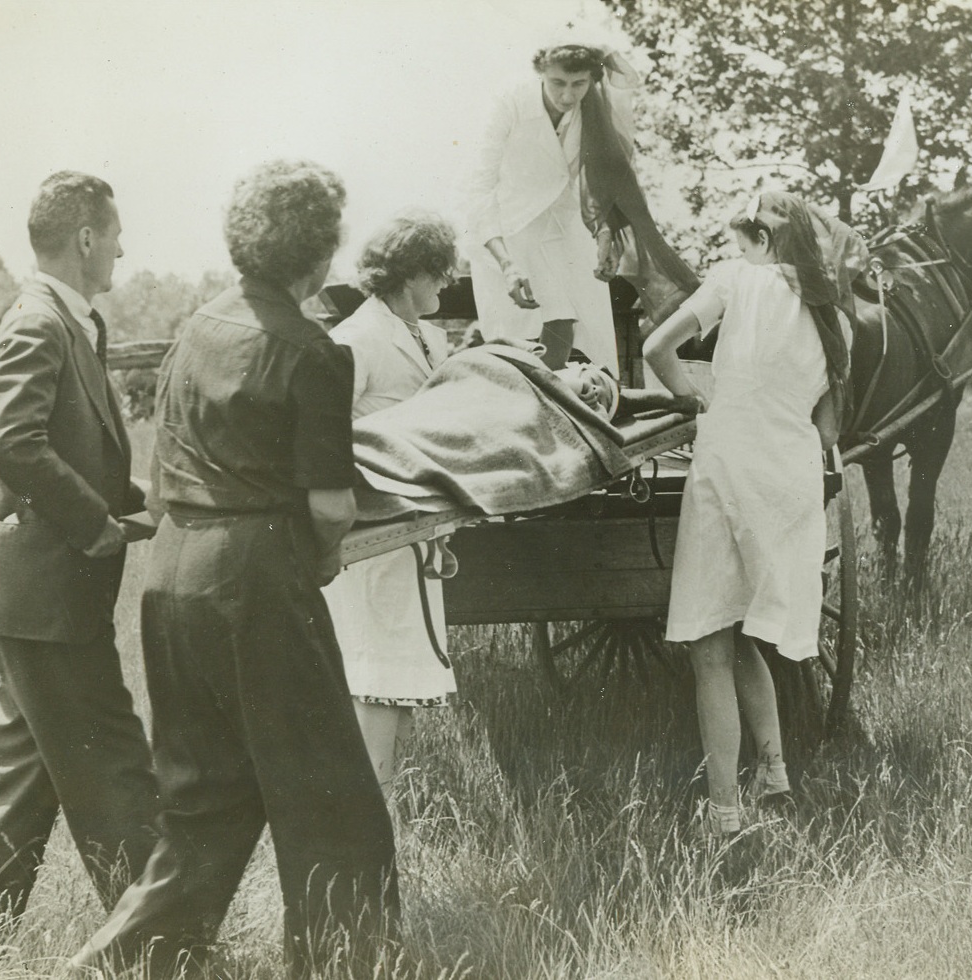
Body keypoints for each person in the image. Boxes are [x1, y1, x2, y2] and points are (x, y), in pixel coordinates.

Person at [70, 159, 399, 979]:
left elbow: (168, 470)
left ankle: (122, 963)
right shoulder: (314, 351)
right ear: (317, 254)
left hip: (173, 573)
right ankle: (346, 968)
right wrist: (320, 562)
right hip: (254, 578)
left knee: (205, 802)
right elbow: (331, 507)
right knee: (333, 801)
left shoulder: (195, 329)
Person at [0, 172, 159, 939]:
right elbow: (12, 441)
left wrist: (144, 498)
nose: (122, 248)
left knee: (19, 780)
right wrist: (95, 525)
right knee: (114, 767)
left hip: (33, 599)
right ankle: (162, 942)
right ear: (86, 238)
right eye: (115, 234)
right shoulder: (39, 322)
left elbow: (65, 444)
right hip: (47, 597)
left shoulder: (64, 320)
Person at [643, 191, 862, 835]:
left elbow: (658, 347)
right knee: (743, 638)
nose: (740, 248)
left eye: (746, 238)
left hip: (730, 467)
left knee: (710, 642)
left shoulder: (734, 279)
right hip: (790, 481)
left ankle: (723, 813)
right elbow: (827, 431)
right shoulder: (836, 317)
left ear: (763, 240)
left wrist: (697, 403)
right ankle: (775, 777)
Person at [322, 211, 459, 797]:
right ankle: (368, 813)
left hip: (415, 529)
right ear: (412, 274)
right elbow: (324, 436)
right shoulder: (358, 339)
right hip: (373, 532)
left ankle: (383, 807)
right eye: (441, 271)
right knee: (375, 676)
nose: (449, 281)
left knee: (399, 677)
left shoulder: (427, 337)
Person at [464, 42, 698, 375]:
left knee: (573, 326)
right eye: (558, 82)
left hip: (564, 228)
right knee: (517, 342)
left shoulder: (592, 109)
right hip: (507, 231)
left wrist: (604, 235)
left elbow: (598, 181)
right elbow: (478, 188)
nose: (567, 95)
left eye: (579, 84)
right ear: (541, 74)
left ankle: (567, 399)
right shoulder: (509, 103)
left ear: (591, 80)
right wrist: (506, 263)